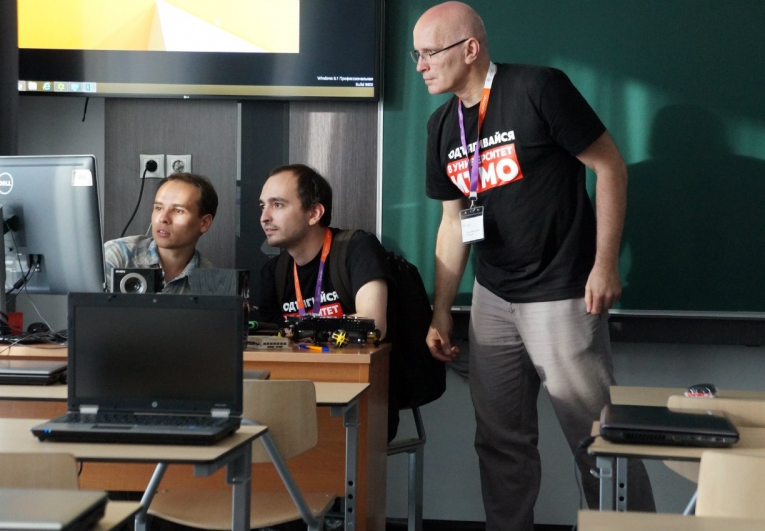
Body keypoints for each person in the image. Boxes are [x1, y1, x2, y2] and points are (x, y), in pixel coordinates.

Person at [413, 2, 654, 529]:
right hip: (493, 298)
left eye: (430, 53)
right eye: (417, 55)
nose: (421, 66)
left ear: (469, 49)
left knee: (597, 439)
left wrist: (605, 264)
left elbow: (610, 166)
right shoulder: (441, 126)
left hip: (562, 292)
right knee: (500, 441)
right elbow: (453, 223)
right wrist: (442, 309)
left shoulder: (538, 88)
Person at [257, 163, 389, 334]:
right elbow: (269, 338)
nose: (264, 217)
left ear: (314, 213)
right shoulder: (273, 273)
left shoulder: (357, 248)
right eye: (263, 206)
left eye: (277, 204)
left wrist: (304, 328)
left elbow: (373, 324)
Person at [104, 172, 218, 294]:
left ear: (204, 223)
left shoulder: (211, 281)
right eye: (158, 208)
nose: (163, 218)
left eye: (178, 210)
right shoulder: (118, 255)